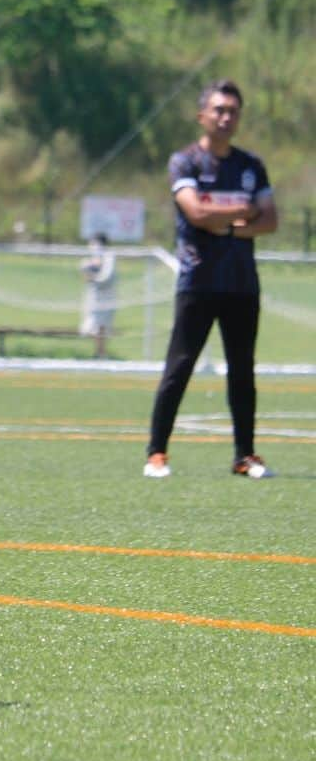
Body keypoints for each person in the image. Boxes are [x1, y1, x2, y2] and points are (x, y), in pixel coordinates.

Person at [143, 79, 278, 480]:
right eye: (218, 110)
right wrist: (243, 210)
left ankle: (245, 456)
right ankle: (156, 453)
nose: (225, 117)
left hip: (241, 283)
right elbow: (196, 214)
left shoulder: (251, 165)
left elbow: (269, 219)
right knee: (179, 366)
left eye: (232, 110)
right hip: (198, 280)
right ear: (202, 115)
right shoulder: (184, 162)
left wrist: (231, 224)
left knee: (242, 371)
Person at [79, 232, 116, 358]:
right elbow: (84, 272)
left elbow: (107, 277)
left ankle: (101, 353)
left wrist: (94, 277)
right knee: (89, 327)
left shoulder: (109, 257)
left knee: (102, 327)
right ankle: (99, 352)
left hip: (107, 297)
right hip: (93, 298)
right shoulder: (89, 259)